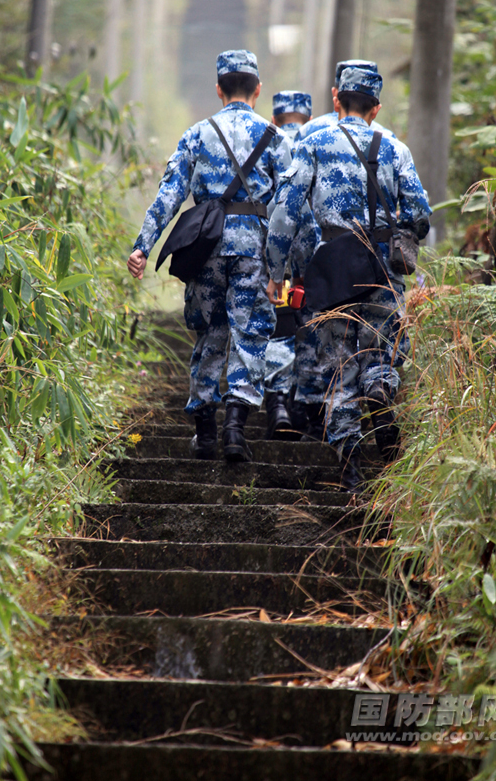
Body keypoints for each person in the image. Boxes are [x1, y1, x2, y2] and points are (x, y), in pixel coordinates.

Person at [265, 65, 431, 491]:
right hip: (382, 269)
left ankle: (351, 469)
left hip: (332, 267)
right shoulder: (394, 148)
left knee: (337, 365)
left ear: (336, 99)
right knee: (381, 351)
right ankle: (378, 387)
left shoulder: (313, 142)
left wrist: (277, 271)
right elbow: (419, 215)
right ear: (376, 108)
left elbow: (285, 211)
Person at [127, 49, 292, 463]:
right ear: (258, 91)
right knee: (250, 334)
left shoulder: (197, 134)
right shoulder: (276, 139)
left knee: (211, 334)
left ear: (219, 90)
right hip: (253, 249)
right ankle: (235, 429)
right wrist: (285, 265)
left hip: (207, 248)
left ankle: (204, 430)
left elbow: (170, 194)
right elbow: (290, 209)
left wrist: (143, 246)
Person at [263, 90, 322, 439]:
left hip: (274, 249)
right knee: (310, 327)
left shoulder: (269, 141)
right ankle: (306, 407)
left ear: (275, 117)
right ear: (309, 116)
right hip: (312, 254)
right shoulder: (317, 141)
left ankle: (278, 405)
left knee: (278, 327)